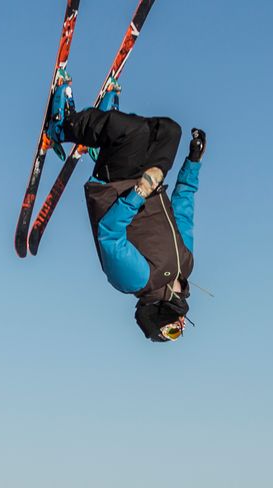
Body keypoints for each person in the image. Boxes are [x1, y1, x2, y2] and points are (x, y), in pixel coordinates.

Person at [45, 88, 204, 342]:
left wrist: (139, 193)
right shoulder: (185, 265)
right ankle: (102, 136)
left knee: (131, 133)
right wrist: (193, 162)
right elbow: (184, 209)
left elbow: (109, 233)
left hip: (115, 188)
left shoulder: (137, 281)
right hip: (147, 182)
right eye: (177, 331)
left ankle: (61, 128)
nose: (180, 327)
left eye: (172, 332)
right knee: (168, 131)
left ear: (155, 318)